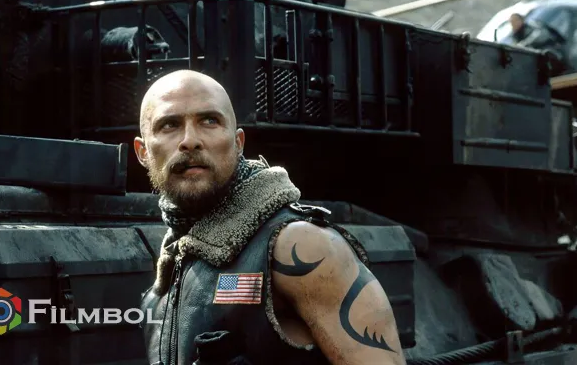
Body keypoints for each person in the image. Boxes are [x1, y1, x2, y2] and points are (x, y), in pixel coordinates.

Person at [134, 69, 406, 365]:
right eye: (169, 125)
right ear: (142, 152)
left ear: (238, 142)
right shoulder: (167, 274)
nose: (190, 140)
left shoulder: (301, 248)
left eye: (209, 121)